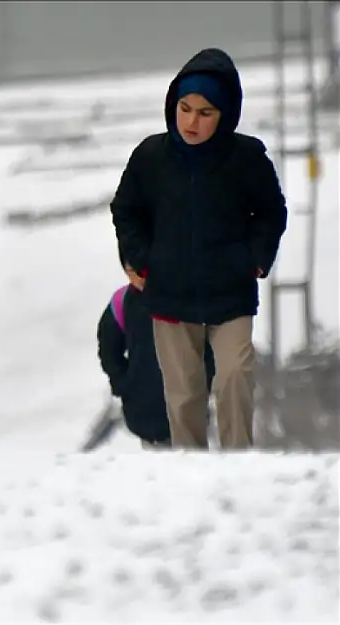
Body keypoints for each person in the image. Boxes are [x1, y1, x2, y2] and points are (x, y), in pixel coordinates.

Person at [109, 48, 288, 450]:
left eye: (206, 113)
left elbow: (271, 212)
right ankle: (191, 476)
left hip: (231, 291)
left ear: (225, 115)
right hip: (169, 292)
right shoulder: (150, 157)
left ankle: (239, 464)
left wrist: (257, 258)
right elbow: (127, 210)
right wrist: (137, 258)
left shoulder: (248, 158)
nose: (192, 121)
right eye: (185, 108)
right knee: (184, 396)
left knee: (235, 377)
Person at [97, 283, 216, 449]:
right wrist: (124, 385)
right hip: (153, 411)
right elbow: (109, 349)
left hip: (174, 410)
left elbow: (212, 348)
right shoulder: (124, 300)